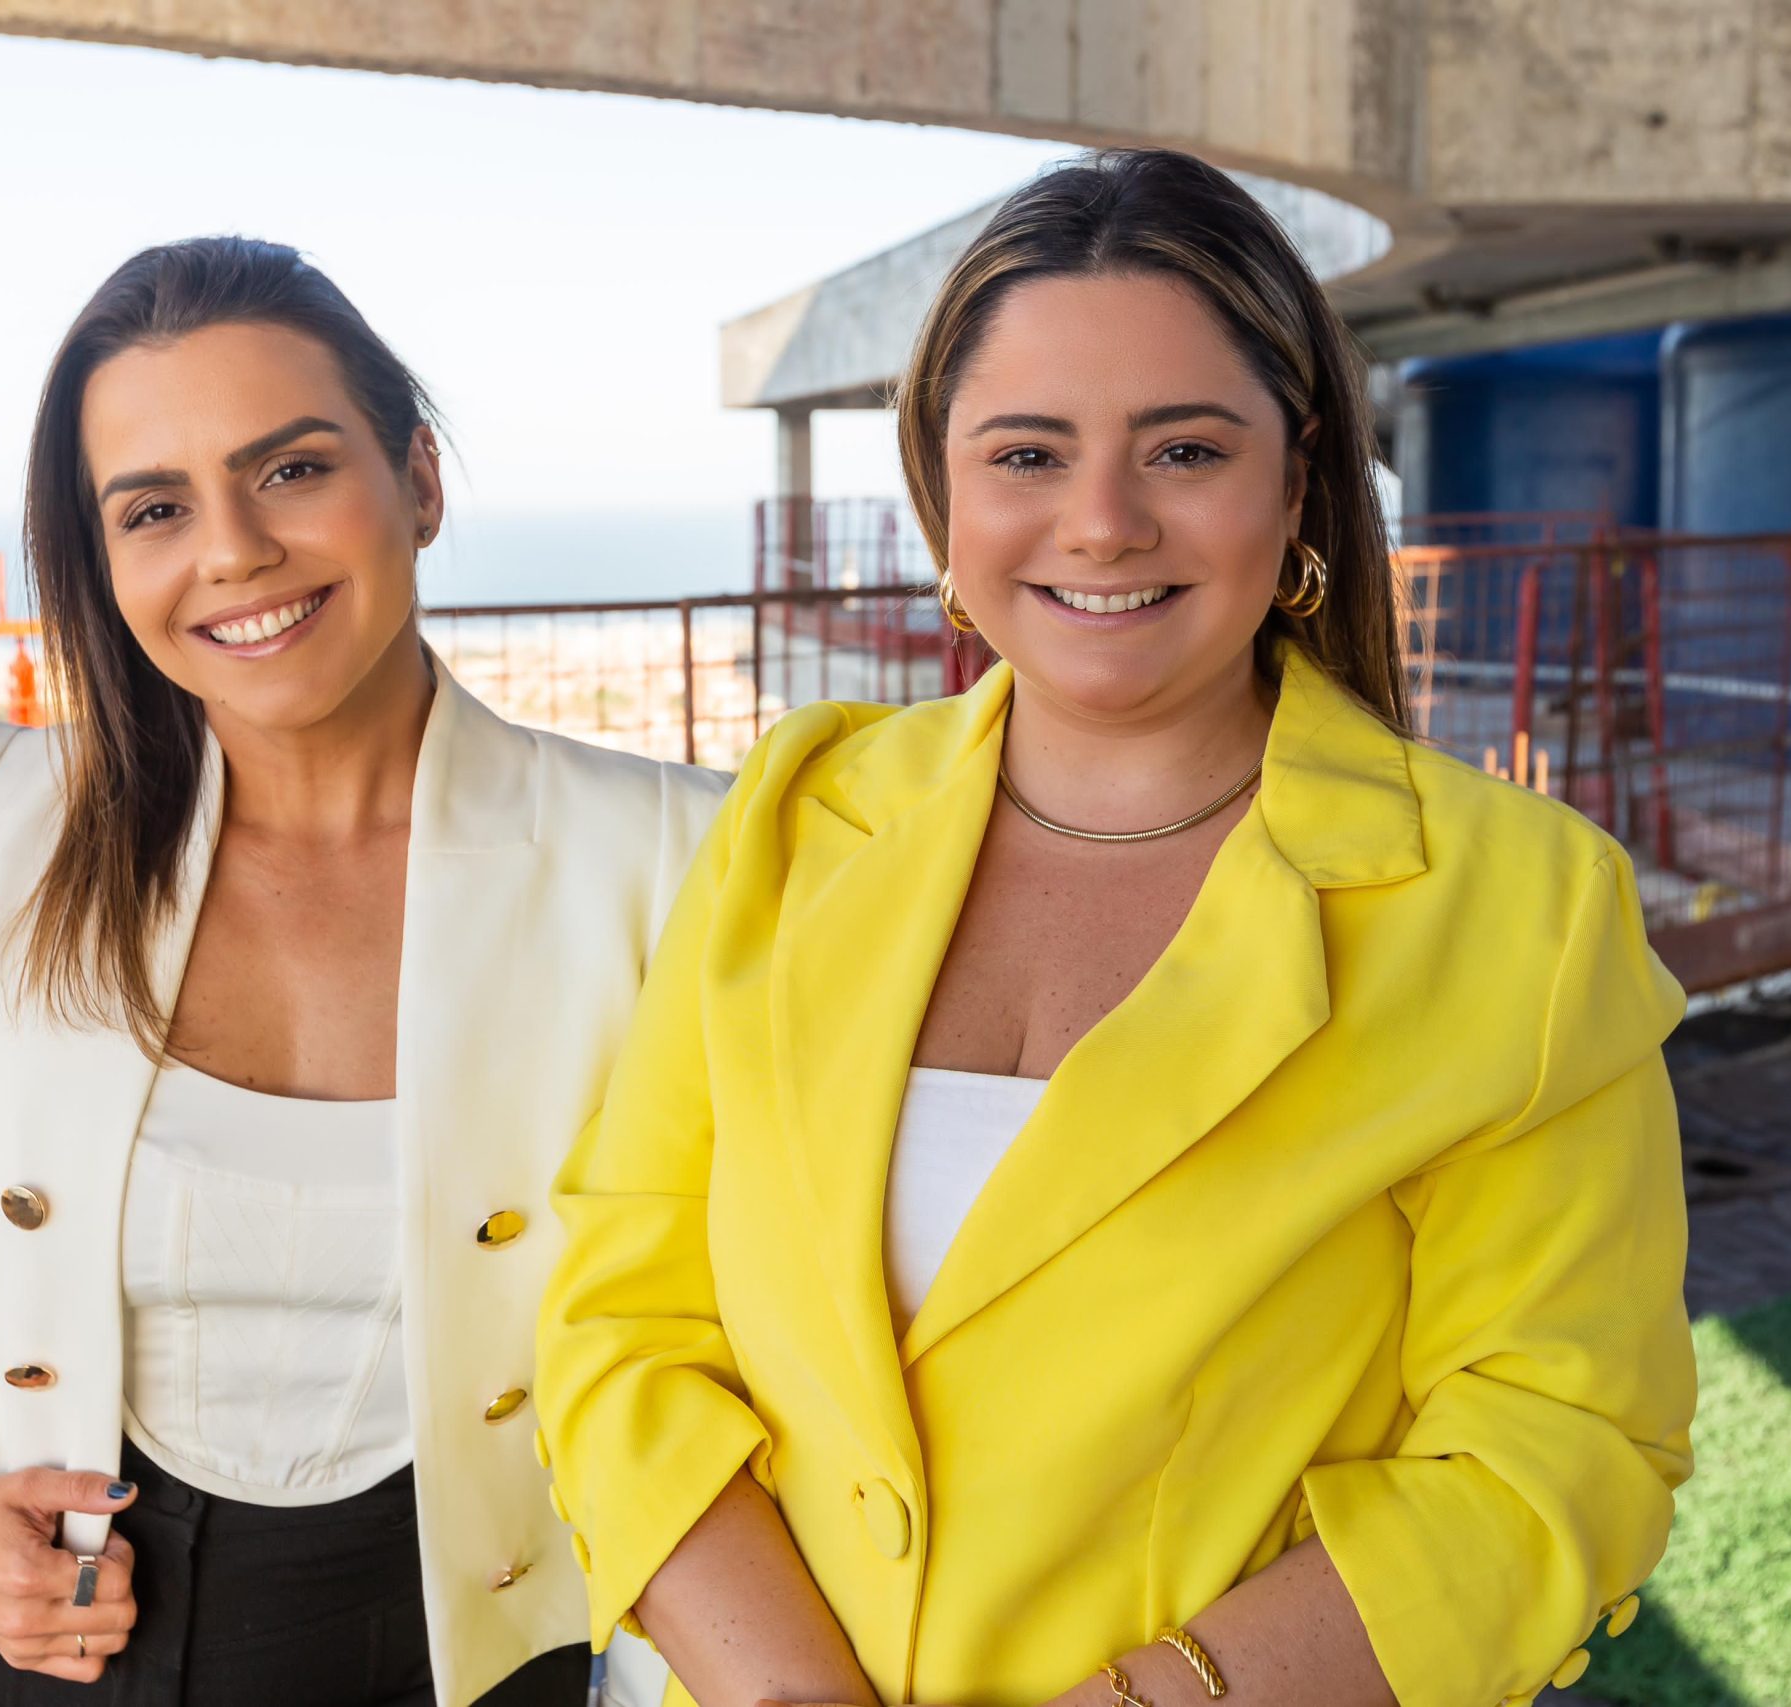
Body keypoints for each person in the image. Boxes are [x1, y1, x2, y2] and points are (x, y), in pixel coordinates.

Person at [534, 150, 1697, 1707]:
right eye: (1025, 454)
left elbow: (1558, 1448)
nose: (1099, 524)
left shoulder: (1521, 909)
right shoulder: (794, 820)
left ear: (1295, 487)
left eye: (1184, 451)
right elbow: (626, 1321)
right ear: (943, 499)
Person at [0, 236, 724, 1707]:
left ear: (419, 479)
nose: (232, 551)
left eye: (288, 470)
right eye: (155, 507)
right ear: (104, 559)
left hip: (453, 1649)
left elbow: (715, 1315)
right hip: (22, 1639)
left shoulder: (662, 852)